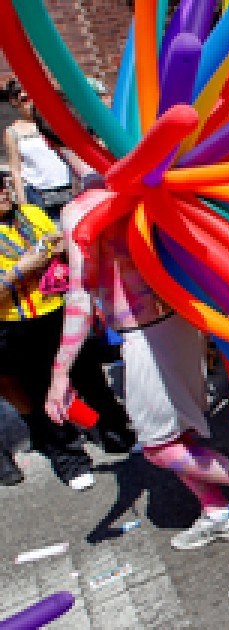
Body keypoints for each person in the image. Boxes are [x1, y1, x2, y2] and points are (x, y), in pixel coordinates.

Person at [45, 190, 229, 550]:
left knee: (159, 448)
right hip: (180, 320)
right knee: (177, 433)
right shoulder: (150, 186)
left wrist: (59, 375)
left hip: (145, 333)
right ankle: (217, 512)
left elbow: (81, 295)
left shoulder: (82, 208)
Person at [0, 172, 134, 490]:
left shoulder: (30, 214)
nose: (4, 192)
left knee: (91, 379)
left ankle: (118, 435)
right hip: (16, 326)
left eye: (3, 185)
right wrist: (22, 269)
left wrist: (59, 249)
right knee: (45, 395)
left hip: (59, 314)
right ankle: (70, 459)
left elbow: (65, 248)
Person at [4, 81, 73, 223]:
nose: (29, 103)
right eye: (24, 99)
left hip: (68, 189)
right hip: (39, 194)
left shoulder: (52, 124)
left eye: (32, 97)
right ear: (15, 102)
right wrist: (24, 205)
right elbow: (15, 170)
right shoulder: (12, 132)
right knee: (50, 240)